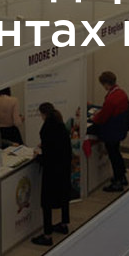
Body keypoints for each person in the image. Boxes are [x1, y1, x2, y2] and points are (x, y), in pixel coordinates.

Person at [31, 103, 72, 246]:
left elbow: (49, 155)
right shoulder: (60, 125)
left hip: (52, 172)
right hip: (64, 169)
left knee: (47, 203)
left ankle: (47, 235)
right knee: (64, 197)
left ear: (43, 114)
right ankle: (64, 224)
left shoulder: (47, 129)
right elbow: (59, 146)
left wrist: (38, 157)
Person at [90, 70, 129, 192]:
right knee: (117, 154)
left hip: (111, 132)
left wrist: (94, 118)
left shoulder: (111, 99)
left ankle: (118, 181)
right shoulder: (122, 93)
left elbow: (103, 117)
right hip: (120, 129)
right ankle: (122, 176)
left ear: (106, 84)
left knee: (113, 156)